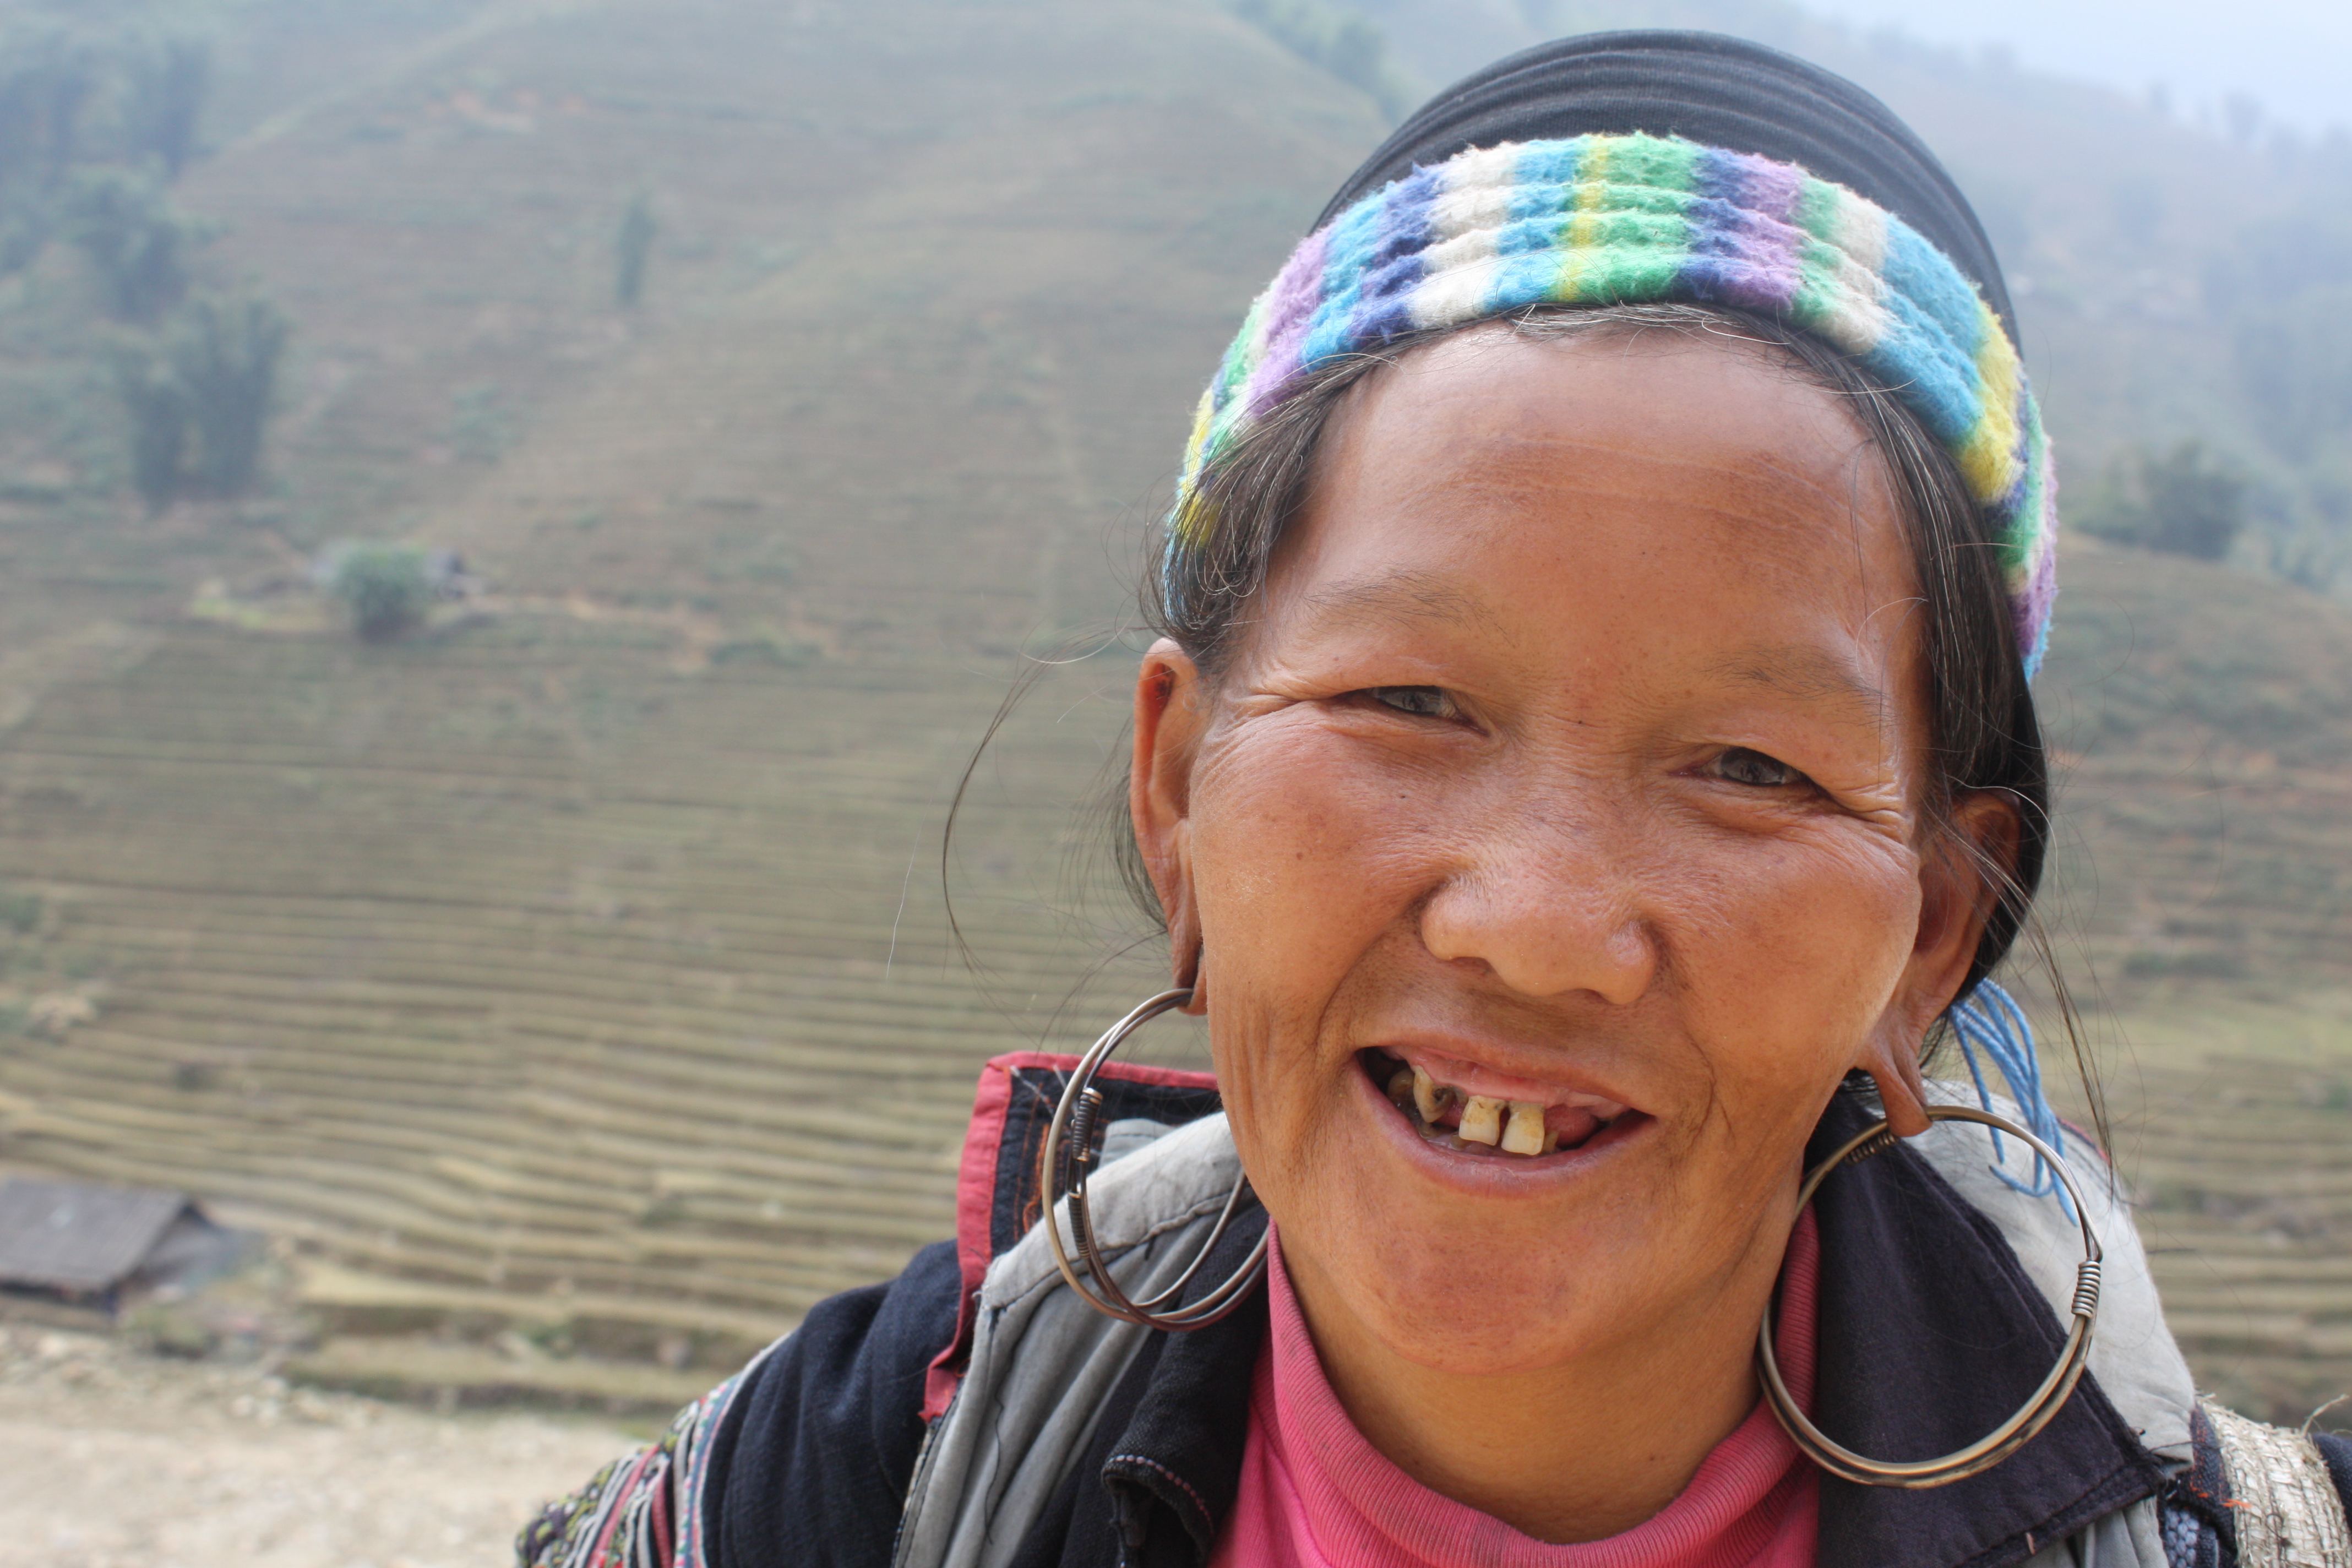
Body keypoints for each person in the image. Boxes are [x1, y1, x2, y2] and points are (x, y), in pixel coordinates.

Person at [518, 31, 2352, 1568]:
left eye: (1749, 769)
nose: (1540, 925)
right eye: (1411, 702)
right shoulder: (813, 1503)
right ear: (1178, 789)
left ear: (1931, 937)